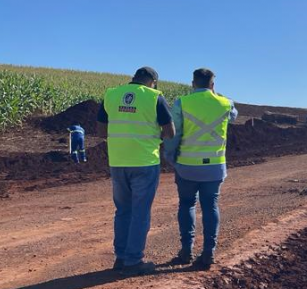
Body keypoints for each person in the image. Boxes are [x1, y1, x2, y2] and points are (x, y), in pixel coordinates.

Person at [98, 67, 175, 276]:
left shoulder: (111, 95)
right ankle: (134, 260)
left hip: (118, 161)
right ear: (153, 81)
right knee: (140, 212)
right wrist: (151, 134)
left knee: (123, 210)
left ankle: (121, 257)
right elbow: (170, 132)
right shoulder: (154, 97)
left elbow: (100, 130)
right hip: (144, 162)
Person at [163, 68, 237, 270]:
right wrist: (216, 95)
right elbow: (233, 116)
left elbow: (173, 134)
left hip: (187, 166)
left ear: (192, 83)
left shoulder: (182, 103)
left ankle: (186, 250)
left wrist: (170, 156)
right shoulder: (225, 103)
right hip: (214, 167)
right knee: (210, 206)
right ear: (213, 84)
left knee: (186, 204)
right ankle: (208, 253)